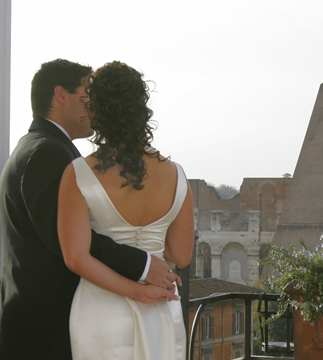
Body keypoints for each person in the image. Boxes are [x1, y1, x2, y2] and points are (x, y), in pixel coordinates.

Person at [0, 59, 181, 360]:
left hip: (35, 323)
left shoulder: (43, 147)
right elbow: (70, 241)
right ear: (61, 95)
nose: (92, 107)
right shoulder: (47, 154)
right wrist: (142, 264)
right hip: (40, 331)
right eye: (86, 97)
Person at [58, 61, 194, 360]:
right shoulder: (176, 174)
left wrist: (134, 290)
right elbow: (181, 255)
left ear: (96, 110)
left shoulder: (78, 173)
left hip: (101, 306)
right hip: (160, 303)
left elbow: (75, 257)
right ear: (142, 110)